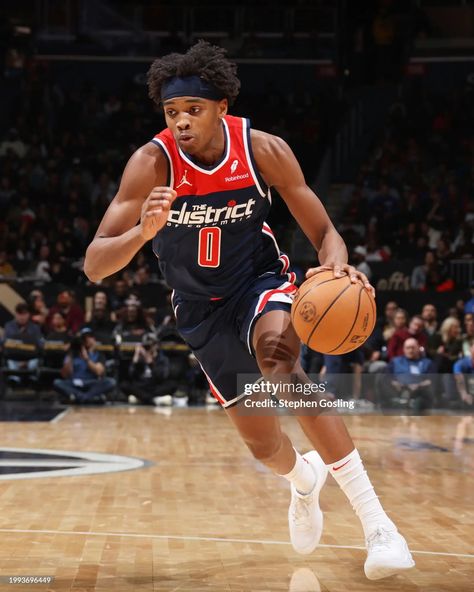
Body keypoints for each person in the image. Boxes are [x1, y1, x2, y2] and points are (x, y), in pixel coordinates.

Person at [84, 41, 414, 579]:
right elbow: (96, 264)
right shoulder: (151, 163)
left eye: (193, 109)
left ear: (222, 108)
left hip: (259, 284)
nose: (182, 122)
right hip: (199, 311)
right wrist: (141, 233)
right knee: (263, 446)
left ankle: (380, 527)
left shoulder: (263, 150)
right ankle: (303, 481)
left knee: (280, 363)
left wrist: (334, 268)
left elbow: (326, 232)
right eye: (172, 113)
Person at [53, 327, 116, 404]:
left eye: (89, 337)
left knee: (111, 382)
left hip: (91, 383)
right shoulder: (72, 355)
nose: (87, 340)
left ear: (94, 339)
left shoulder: (98, 355)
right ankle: (88, 397)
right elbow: (65, 375)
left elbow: (99, 372)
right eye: (84, 338)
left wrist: (87, 359)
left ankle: (80, 397)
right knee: (57, 382)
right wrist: (70, 355)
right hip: (75, 383)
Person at [382, 338, 436, 412]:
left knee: (419, 401)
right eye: (408, 348)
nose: (410, 350)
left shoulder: (427, 363)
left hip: (420, 393)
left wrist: (419, 386)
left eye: (413, 348)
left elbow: (432, 380)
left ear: (418, 348)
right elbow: (387, 377)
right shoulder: (395, 362)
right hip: (398, 390)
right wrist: (397, 384)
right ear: (404, 349)